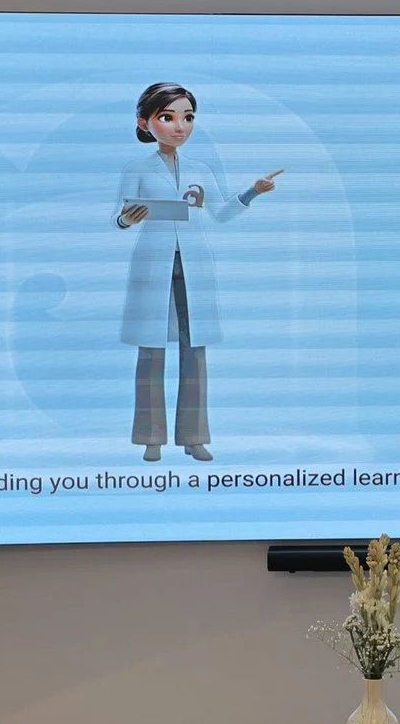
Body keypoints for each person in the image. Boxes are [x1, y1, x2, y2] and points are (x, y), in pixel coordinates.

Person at [115, 83, 282, 462]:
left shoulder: (200, 170)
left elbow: (220, 212)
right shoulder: (136, 169)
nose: (180, 127)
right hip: (153, 266)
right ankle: (151, 439)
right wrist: (127, 219)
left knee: (195, 353)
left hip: (193, 267)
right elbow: (117, 216)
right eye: (167, 117)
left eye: (187, 118)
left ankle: (194, 437)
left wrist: (253, 192)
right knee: (151, 352)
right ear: (144, 123)